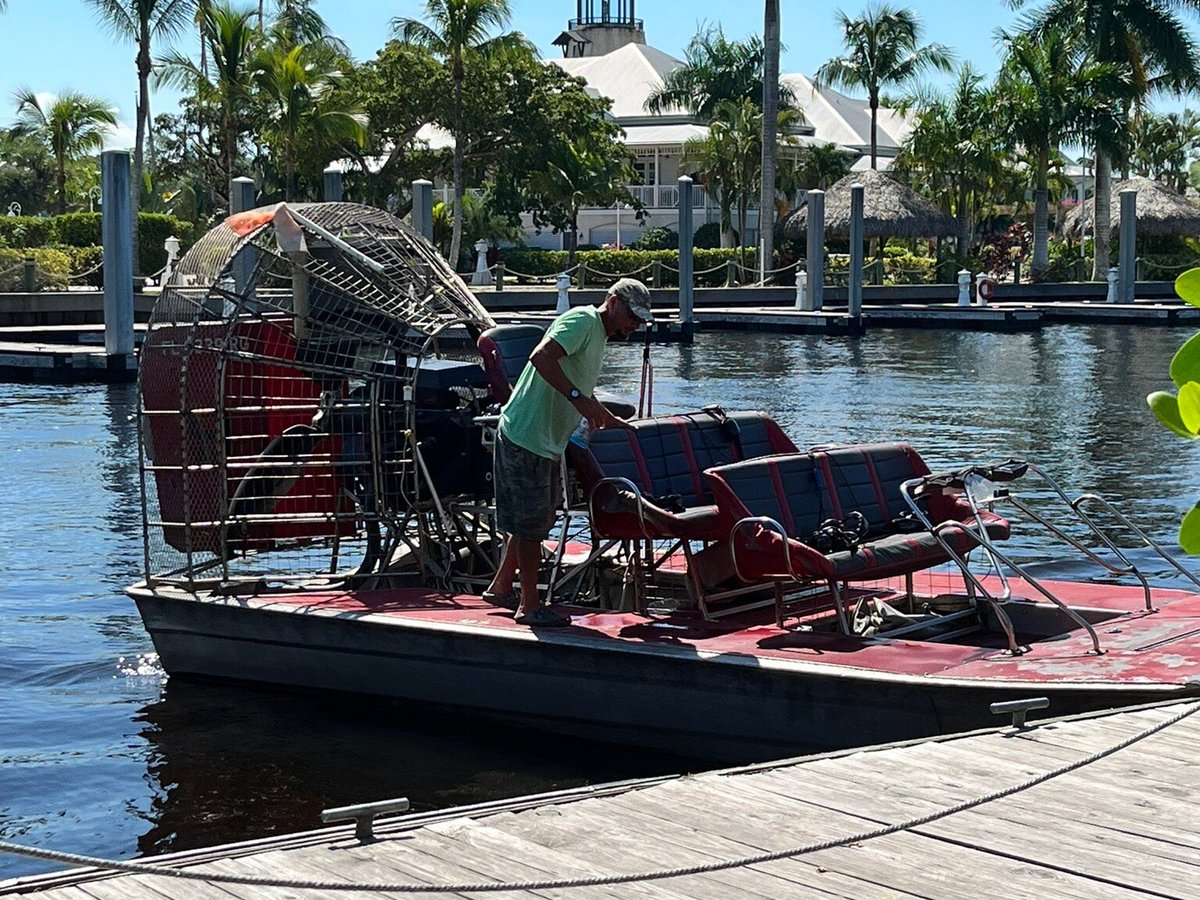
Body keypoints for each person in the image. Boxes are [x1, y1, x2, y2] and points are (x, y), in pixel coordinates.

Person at [484, 277, 653, 627]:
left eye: (639, 320)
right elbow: (541, 357)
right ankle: (529, 606)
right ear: (614, 301)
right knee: (531, 524)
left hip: (547, 438)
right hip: (527, 433)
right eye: (632, 316)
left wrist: (598, 411)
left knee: (536, 517)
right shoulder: (582, 320)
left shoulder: (599, 334)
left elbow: (574, 379)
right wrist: (581, 400)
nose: (634, 325)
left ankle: (501, 586)